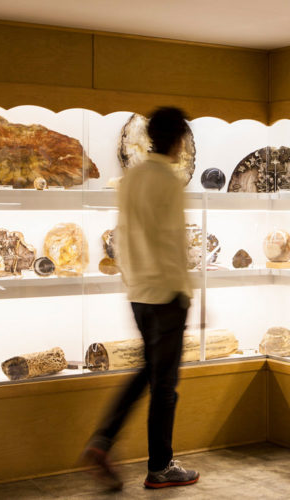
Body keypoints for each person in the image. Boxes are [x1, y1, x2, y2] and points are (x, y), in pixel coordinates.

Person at [80, 107, 199, 490]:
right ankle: (159, 466)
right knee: (164, 385)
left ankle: (103, 441)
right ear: (179, 139)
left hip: (138, 293)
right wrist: (185, 292)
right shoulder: (169, 181)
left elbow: (124, 236)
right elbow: (173, 244)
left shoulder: (131, 179)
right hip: (166, 293)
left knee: (149, 372)